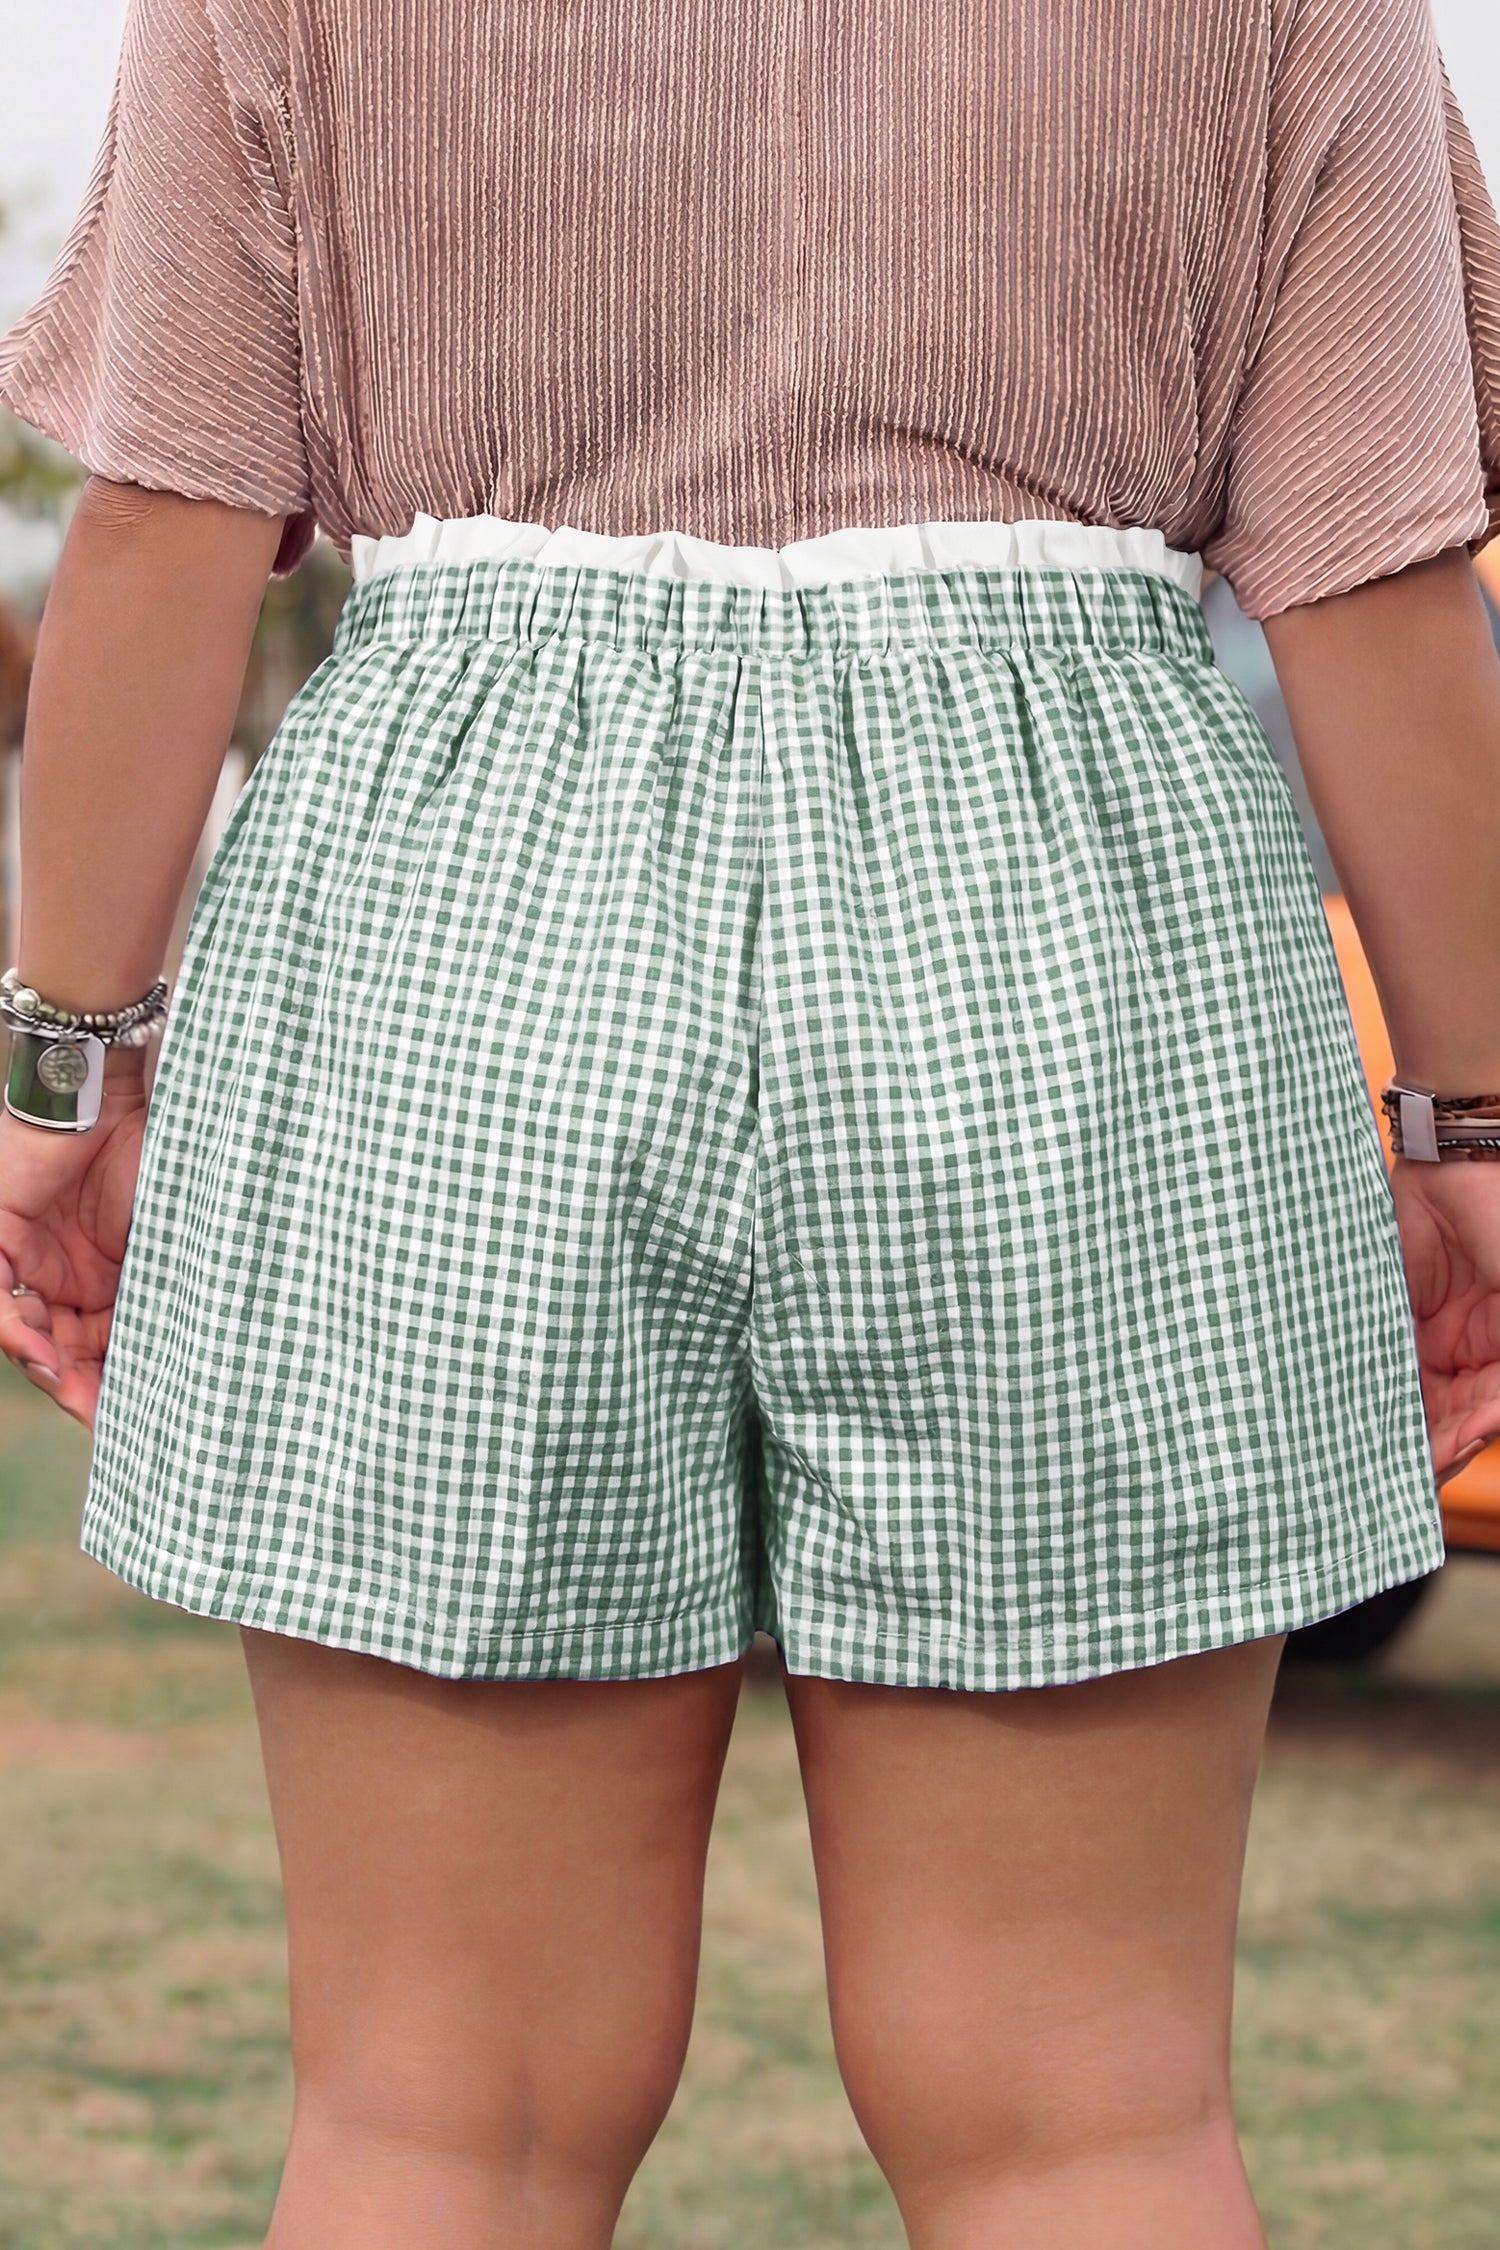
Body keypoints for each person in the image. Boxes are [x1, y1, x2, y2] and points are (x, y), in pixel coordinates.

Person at [0, 0, 1498, 2243]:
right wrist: (1472, 1123)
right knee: (1083, 2117)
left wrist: (62, 1070)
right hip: (1063, 925)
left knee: (437, 2117)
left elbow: (156, 518)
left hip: (467, 928)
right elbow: (1373, 571)